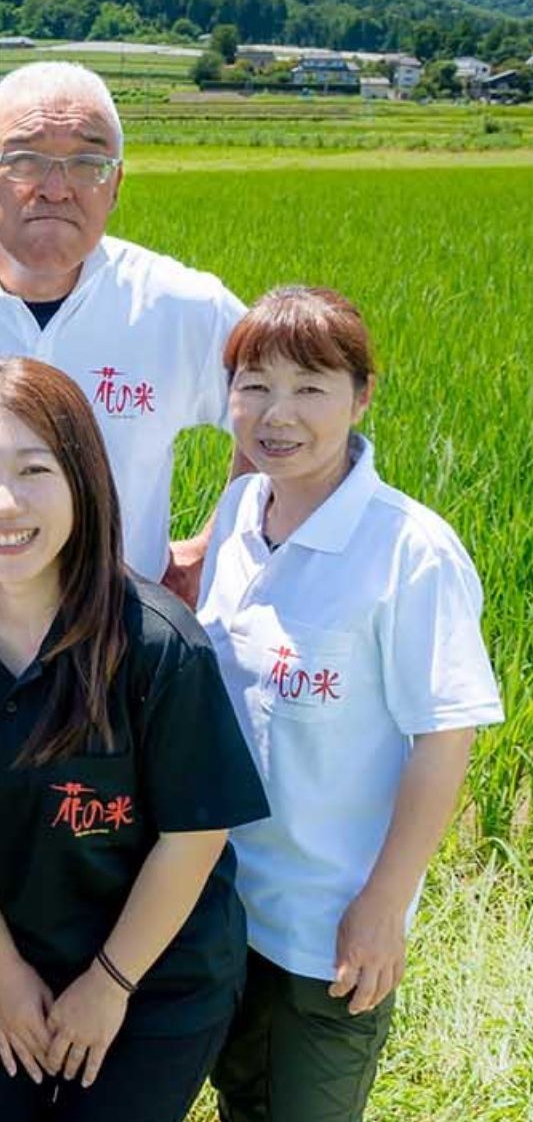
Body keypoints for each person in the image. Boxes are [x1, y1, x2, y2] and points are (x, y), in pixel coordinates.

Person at [0, 59, 248, 1087]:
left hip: (116, 674)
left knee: (117, 894)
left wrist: (216, 542)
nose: (56, 184)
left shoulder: (177, 304)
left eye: (87, 161)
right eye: (25, 159)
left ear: (117, 183)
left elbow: (281, 410)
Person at [0, 356, 269, 1122]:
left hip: (156, 971)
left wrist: (108, 983)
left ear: (82, 479)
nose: (1, 503)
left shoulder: (156, 643)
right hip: (17, 958)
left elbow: (194, 833)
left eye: (32, 469)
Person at [195, 286, 504, 1122]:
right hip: (217, 900)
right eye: (254, 385)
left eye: (309, 387)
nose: (277, 414)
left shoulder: (408, 550)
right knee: (238, 1096)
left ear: (361, 396)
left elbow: (443, 735)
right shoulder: (238, 509)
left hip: (325, 924)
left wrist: (381, 906)